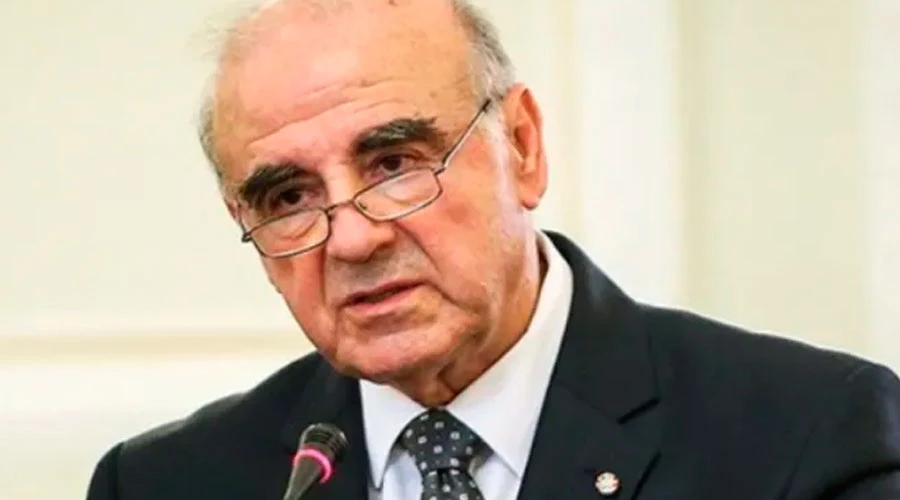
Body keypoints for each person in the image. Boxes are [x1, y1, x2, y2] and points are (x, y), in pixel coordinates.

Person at [86, 0, 900, 498]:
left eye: (395, 164)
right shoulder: (166, 484)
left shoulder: (809, 440)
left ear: (523, 146)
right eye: (289, 198)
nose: (354, 238)